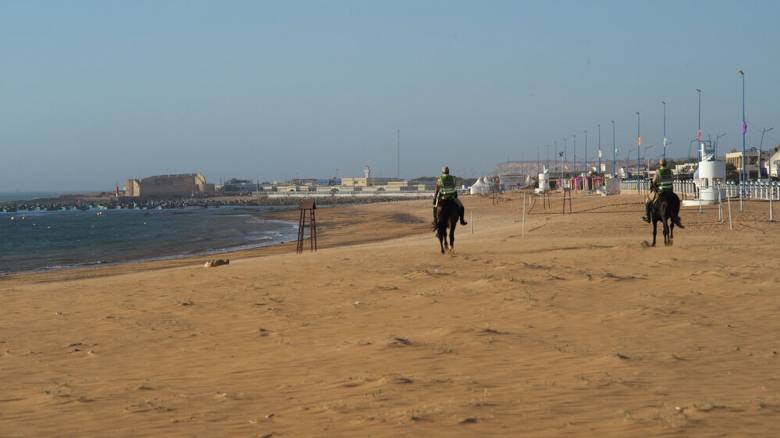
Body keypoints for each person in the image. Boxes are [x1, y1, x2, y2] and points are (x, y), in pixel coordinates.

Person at [642, 158, 674, 223]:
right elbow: (672, 179)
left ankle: (648, 218)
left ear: (660, 164)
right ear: (666, 164)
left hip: (661, 190)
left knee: (648, 200)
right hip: (670, 190)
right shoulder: (670, 171)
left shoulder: (658, 171)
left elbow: (654, 181)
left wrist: (655, 185)